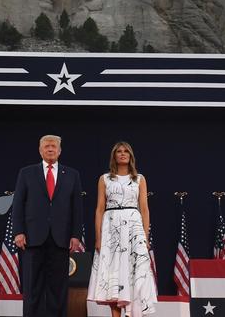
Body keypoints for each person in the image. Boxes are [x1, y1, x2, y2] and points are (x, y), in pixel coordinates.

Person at [12, 135, 83, 317]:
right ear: (40, 150)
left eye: (53, 146)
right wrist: (19, 231)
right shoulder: (26, 173)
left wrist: (75, 235)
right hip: (33, 237)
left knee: (58, 289)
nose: (50, 149)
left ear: (59, 151)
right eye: (46, 146)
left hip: (61, 238)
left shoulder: (72, 175)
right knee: (32, 287)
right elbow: (18, 204)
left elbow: (77, 208)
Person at [87, 141, 157, 317]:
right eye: (119, 151)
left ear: (131, 156)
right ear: (114, 156)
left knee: (134, 272)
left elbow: (144, 209)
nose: (122, 154)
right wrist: (98, 237)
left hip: (134, 229)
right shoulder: (104, 179)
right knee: (114, 273)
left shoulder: (139, 179)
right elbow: (99, 209)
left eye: (126, 151)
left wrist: (145, 237)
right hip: (111, 228)